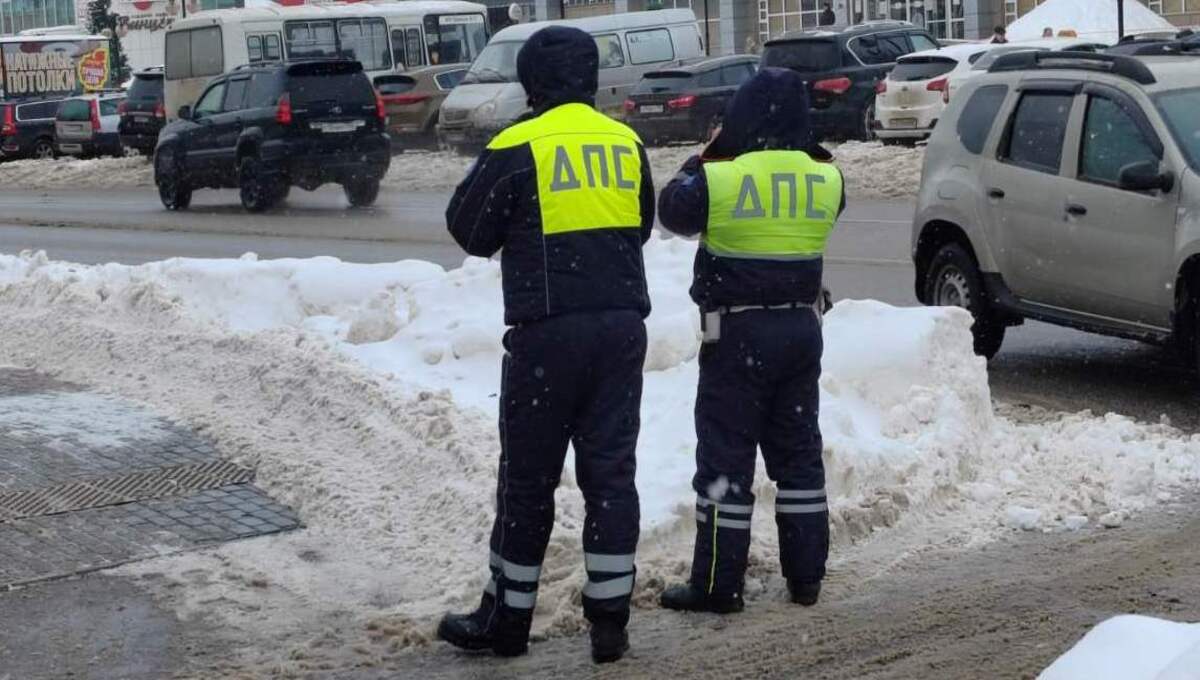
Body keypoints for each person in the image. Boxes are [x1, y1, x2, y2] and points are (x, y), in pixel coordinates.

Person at [438, 25, 655, 664]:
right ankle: (610, 624)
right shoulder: (625, 141)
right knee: (611, 475)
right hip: (620, 330)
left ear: (531, 81)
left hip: (548, 334)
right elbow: (640, 225)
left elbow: (469, 230)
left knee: (528, 480)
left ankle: (506, 621)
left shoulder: (518, 144)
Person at [656, 67, 844, 614]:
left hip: (736, 334)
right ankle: (806, 578)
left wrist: (706, 154)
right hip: (801, 331)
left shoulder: (720, 177)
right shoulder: (828, 179)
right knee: (799, 455)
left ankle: (718, 584)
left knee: (726, 458)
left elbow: (672, 210)